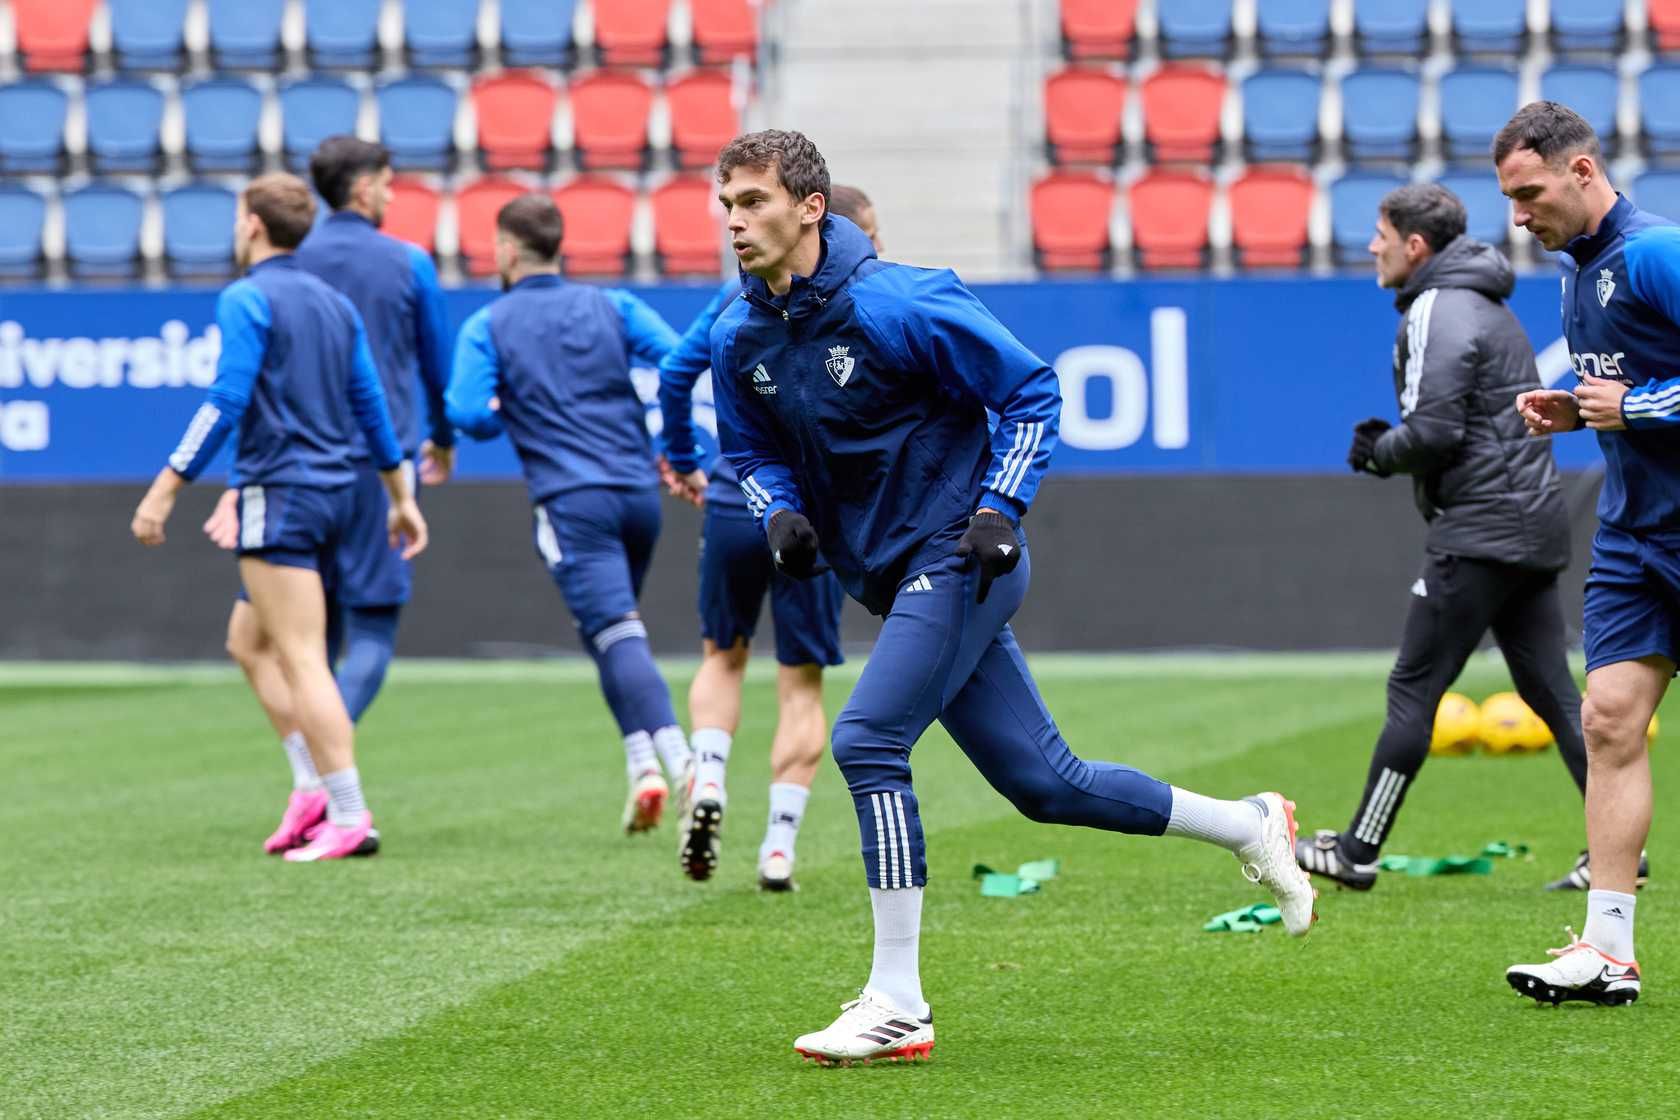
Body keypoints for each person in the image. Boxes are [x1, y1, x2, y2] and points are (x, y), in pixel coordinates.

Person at [706, 130, 1317, 1065]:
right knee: (1046, 785)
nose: (735, 221)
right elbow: (748, 453)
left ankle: (898, 1002)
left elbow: (1032, 391)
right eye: (727, 204)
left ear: (810, 207)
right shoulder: (736, 334)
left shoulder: (904, 301)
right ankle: (1249, 824)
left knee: (866, 739)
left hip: (962, 556)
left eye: (753, 201)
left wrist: (1000, 507)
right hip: (889, 575)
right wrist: (779, 510)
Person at [1294, 183, 1591, 892]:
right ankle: (1618, 852)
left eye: (1381, 234)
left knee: (1413, 688)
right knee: (1553, 693)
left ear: (1416, 245)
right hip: (1531, 522)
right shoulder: (1486, 303)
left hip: (1480, 532)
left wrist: (1379, 452)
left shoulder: (1437, 307)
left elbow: (1433, 433)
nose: (1373, 246)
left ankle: (1357, 851)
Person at [131, 172, 428, 862]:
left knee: (300, 655)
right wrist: (400, 496)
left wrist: (167, 485)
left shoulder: (247, 296)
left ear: (254, 225)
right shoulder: (333, 302)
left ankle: (348, 813)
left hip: (283, 492)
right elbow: (371, 405)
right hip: (338, 493)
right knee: (249, 642)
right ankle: (311, 787)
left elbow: (226, 398)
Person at [202, 138, 456, 855]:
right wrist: (440, 441)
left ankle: (317, 784)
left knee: (274, 640)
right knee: (365, 629)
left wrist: (237, 485)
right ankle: (332, 788)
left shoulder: (285, 264)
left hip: (287, 475)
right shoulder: (407, 261)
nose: (393, 196)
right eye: (388, 183)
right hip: (374, 471)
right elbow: (433, 367)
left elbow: (251, 385)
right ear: (364, 187)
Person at [1496, 101, 1678, 1006]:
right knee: (1607, 720)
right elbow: (1631, 385)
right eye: (1509, 199)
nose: (1518, 216)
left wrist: (1634, 408)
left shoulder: (1655, 253)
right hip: (1633, 536)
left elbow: (1644, 398)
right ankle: (1608, 951)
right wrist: (1578, 408)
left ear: (1582, 169)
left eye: (1529, 193)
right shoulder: (1576, 270)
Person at [445, 193, 695, 835]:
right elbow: (677, 359)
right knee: (607, 631)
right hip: (637, 497)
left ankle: (681, 762)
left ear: (506, 249)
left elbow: (466, 412)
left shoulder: (488, 324)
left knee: (616, 631)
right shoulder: (614, 305)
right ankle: (641, 764)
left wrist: (505, 410)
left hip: (571, 500)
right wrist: (673, 442)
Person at [655, 183, 882, 889]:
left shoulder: (737, 298)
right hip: (810, 518)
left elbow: (674, 373)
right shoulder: (867, 301)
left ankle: (710, 776)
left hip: (735, 499)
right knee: (801, 684)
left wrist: (684, 460)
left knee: (722, 657)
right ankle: (778, 845)